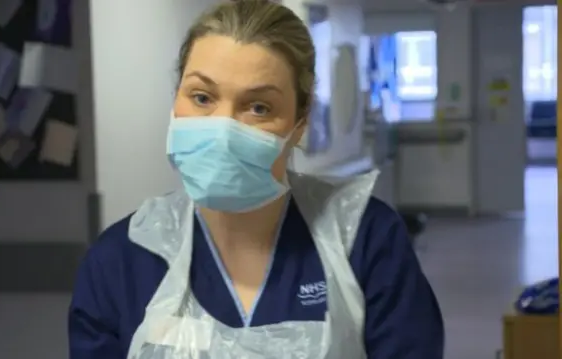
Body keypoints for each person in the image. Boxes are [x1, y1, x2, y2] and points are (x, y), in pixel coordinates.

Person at [68, 1, 444, 358]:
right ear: (176, 99)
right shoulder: (121, 261)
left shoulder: (363, 241)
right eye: (201, 97)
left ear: (300, 122)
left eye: (259, 107)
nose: (223, 128)